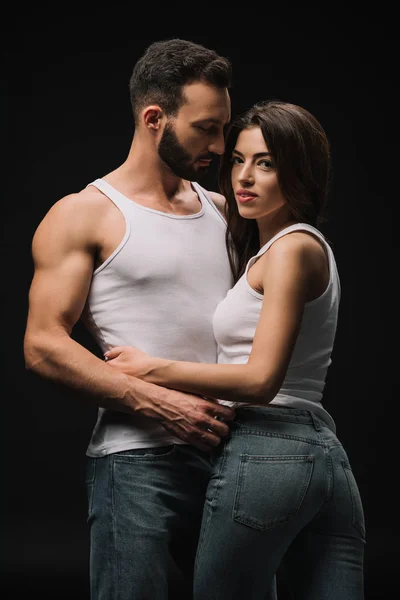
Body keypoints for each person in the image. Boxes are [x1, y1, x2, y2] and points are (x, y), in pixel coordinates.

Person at [105, 100, 366, 599]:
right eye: (240, 160)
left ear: (300, 171)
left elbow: (260, 381)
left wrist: (151, 368)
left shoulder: (290, 250)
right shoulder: (286, 248)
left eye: (265, 163)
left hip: (269, 447)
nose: (244, 177)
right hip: (323, 455)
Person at [23, 38, 244, 600]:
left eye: (223, 128)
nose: (221, 146)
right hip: (136, 463)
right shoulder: (84, 214)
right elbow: (44, 344)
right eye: (205, 128)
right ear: (154, 118)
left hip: (230, 453)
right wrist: (157, 403)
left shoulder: (223, 211)